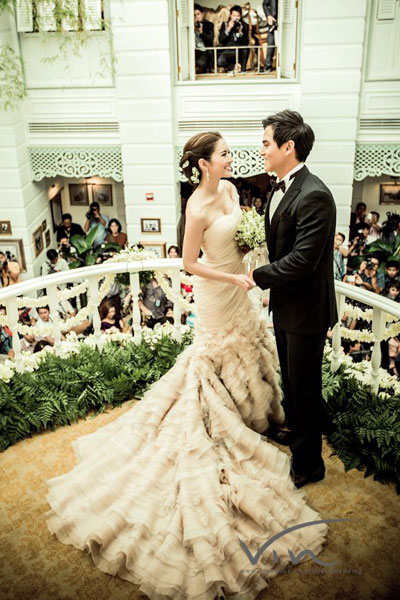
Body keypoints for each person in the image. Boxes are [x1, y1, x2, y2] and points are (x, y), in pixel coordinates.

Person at [45, 130, 328, 599]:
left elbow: (242, 234)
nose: (233, 159)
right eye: (224, 154)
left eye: (232, 152)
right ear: (203, 164)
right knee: (213, 360)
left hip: (241, 287)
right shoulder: (194, 209)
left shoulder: (232, 190)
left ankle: (252, 416)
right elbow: (190, 265)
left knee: (249, 349)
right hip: (219, 291)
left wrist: (249, 254)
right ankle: (220, 422)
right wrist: (234, 278)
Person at [250, 110, 338, 488]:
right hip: (286, 308)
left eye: (266, 143)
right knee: (291, 382)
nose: (262, 150)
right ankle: (298, 434)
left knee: (305, 388)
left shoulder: (315, 194)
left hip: (307, 312)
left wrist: (257, 277)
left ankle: (309, 464)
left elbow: (303, 260)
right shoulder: (280, 186)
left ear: (288, 147)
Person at [217, 5, 250, 73]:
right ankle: (233, 67)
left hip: (239, 50)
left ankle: (243, 69)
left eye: (238, 16)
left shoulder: (244, 25)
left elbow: (246, 42)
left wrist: (240, 32)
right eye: (234, 16)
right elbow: (221, 40)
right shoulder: (225, 24)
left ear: (240, 16)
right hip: (228, 50)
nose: (236, 18)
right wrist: (228, 28)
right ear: (230, 16)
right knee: (220, 61)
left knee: (245, 49)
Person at [194, 4, 214, 74]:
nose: (196, 17)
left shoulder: (209, 25)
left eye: (198, 14)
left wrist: (201, 32)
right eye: (194, 15)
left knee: (202, 63)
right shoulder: (190, 26)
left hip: (204, 50)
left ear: (202, 14)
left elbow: (210, 40)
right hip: (193, 50)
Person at [262, 0, 277, 72]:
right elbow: (264, 4)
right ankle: (268, 66)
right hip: (273, 21)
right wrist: (269, 16)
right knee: (271, 42)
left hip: (285, 20)